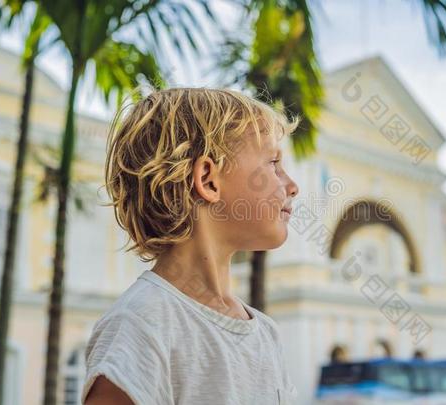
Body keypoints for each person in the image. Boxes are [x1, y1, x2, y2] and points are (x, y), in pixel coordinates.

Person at [82, 87, 300, 405]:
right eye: (273, 164)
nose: (292, 186)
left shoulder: (266, 333)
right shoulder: (140, 326)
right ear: (209, 180)